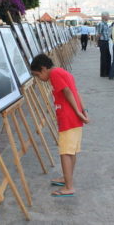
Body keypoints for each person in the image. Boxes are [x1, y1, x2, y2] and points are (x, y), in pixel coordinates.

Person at [30, 54, 89, 197]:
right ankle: (66, 179)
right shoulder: (62, 72)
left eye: (38, 75)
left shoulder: (54, 74)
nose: (39, 79)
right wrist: (83, 110)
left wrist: (78, 112)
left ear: (43, 69)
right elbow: (76, 92)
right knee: (71, 151)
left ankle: (69, 187)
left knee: (65, 153)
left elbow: (68, 92)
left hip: (68, 119)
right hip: (74, 118)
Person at [97, 11, 111, 77]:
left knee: (108, 57)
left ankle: (108, 71)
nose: (109, 17)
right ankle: (103, 73)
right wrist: (98, 43)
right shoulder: (101, 24)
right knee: (103, 57)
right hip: (103, 42)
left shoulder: (106, 24)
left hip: (107, 41)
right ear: (104, 17)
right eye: (108, 16)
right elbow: (99, 34)